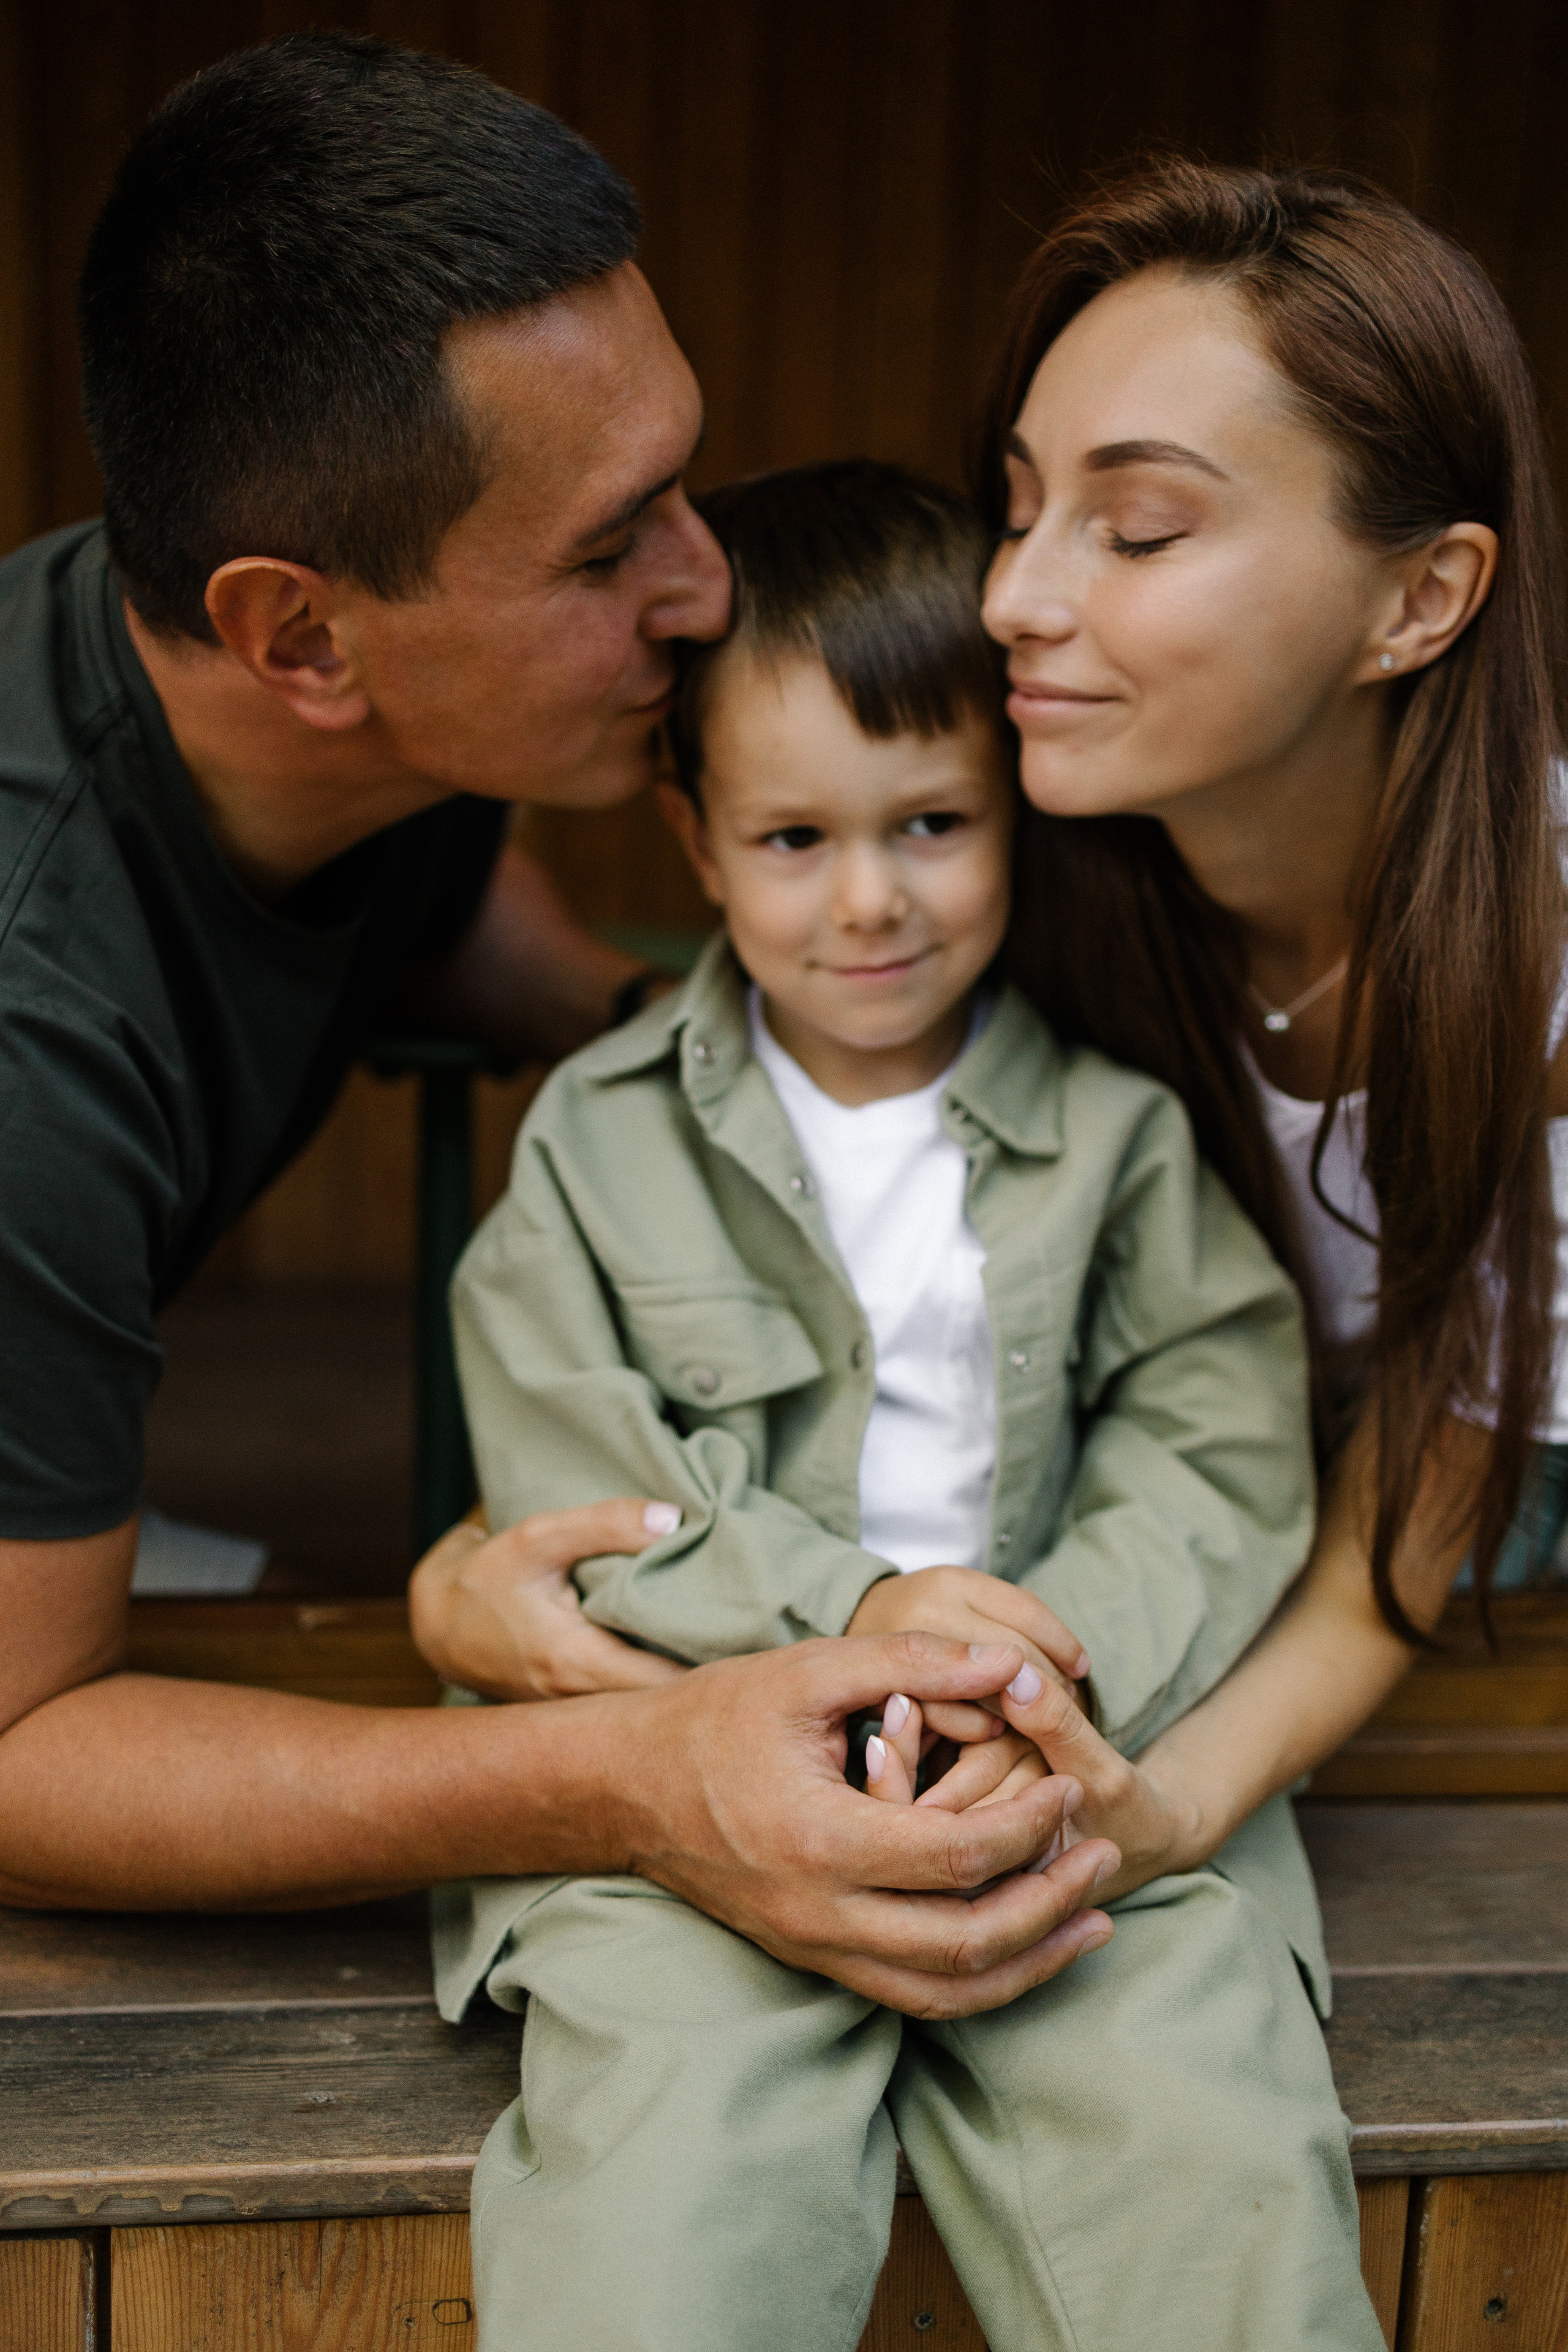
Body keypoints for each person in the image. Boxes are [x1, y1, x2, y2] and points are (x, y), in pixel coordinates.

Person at [0, 31, 1120, 2016]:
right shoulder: (29, 1030)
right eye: (611, 550)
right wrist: (637, 1783)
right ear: (305, 638)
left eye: (679, 485)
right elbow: (16, 1745)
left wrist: (770, 1070)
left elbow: (483, 941)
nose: (704, 590)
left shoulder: (330, 730)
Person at [441, 461, 1382, 2352]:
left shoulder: (1117, 1137)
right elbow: (590, 1480)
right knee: (668, 2196)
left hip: (1072, 1776)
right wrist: (853, 1623)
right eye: (796, 839)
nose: (871, 901)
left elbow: (1210, 1430)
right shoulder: (596, 1152)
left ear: (1011, 812)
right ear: (695, 841)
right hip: (689, 1782)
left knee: (1207, 2162)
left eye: (933, 822)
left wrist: (1041, 1669)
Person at [948, 157, 1568, 1899]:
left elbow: (1420, 1505)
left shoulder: (1542, 964)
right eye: (1018, 508)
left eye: (1139, 531)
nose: (1017, 598)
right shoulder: (1020, 859)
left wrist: (1162, 1814)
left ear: (1421, 600)